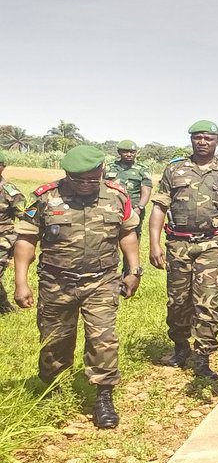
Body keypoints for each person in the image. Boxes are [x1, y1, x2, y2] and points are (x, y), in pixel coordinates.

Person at [12, 145, 141, 429]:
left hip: (102, 280)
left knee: (103, 338)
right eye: (77, 179)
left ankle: (103, 396)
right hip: (57, 282)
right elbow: (25, 241)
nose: (85, 185)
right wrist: (20, 282)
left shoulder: (117, 196)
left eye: (91, 179)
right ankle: (53, 389)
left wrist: (133, 270)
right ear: (67, 174)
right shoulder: (45, 197)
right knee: (55, 340)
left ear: (102, 172)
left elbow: (128, 234)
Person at [148, 120, 218, 379]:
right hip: (179, 244)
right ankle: (180, 347)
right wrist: (154, 243)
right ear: (191, 140)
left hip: (213, 244)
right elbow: (159, 208)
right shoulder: (174, 170)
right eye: (197, 137)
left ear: (217, 141)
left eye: (208, 138)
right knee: (178, 301)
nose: (202, 142)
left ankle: (203, 358)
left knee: (207, 303)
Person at [102, 140, 153, 236]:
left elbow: (146, 191)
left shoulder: (142, 169)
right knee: (110, 237)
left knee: (133, 236)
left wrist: (139, 208)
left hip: (133, 209)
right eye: (125, 152)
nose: (129, 154)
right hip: (111, 208)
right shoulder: (109, 168)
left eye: (132, 152)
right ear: (119, 152)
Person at [0, 150, 26, 314]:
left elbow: (27, 217)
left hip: (3, 237)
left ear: (2, 168)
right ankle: (5, 308)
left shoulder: (11, 192)